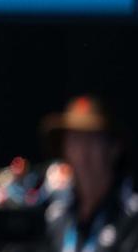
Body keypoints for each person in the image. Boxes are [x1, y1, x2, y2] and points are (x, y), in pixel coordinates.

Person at [40, 94, 138, 251]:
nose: (83, 152)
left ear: (114, 148)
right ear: (64, 150)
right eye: (75, 140)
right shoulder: (56, 217)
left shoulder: (131, 219)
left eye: (93, 140)